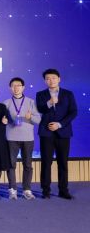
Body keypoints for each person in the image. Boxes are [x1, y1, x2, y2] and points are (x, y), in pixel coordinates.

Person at [36, 69, 78, 199]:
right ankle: (46, 190)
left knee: (63, 162)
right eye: (48, 78)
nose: (51, 80)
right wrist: (50, 102)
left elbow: (73, 112)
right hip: (46, 132)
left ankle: (63, 190)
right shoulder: (41, 94)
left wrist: (59, 124)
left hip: (63, 132)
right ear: (45, 81)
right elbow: (40, 109)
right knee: (46, 162)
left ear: (59, 79)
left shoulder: (68, 94)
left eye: (53, 78)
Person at [4, 77, 41, 200]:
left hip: (27, 138)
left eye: (18, 85)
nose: (16, 88)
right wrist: (3, 121)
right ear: (10, 88)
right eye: (13, 86)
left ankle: (27, 190)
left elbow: (39, 120)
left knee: (28, 165)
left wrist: (30, 118)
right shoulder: (6, 103)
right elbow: (2, 121)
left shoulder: (31, 102)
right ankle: (12, 189)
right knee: (11, 164)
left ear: (23, 87)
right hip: (11, 138)